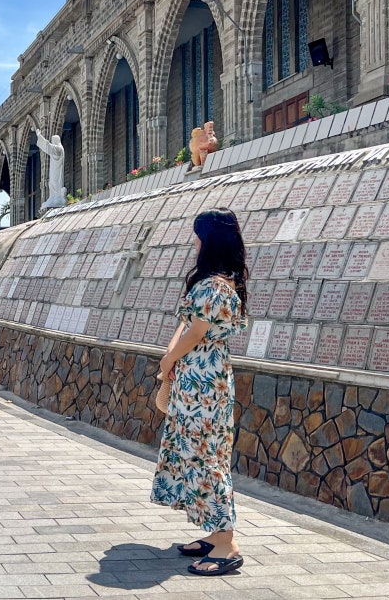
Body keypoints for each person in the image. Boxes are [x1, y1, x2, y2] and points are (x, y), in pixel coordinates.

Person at [151, 208, 248, 576]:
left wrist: (168, 360)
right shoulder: (221, 283)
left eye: (198, 234)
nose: (194, 241)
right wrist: (171, 359)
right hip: (205, 379)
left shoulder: (213, 286)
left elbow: (195, 332)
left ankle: (227, 543)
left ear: (209, 240)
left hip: (202, 384)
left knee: (205, 457)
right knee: (205, 453)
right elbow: (189, 326)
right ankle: (215, 534)